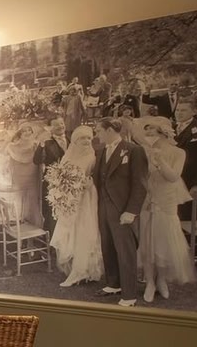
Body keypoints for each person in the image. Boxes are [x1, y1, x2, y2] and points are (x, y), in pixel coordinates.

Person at [132, 117, 197, 303]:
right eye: (146, 131)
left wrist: (159, 160)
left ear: (163, 133)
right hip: (148, 199)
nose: (148, 134)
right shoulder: (142, 151)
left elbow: (173, 177)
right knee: (147, 241)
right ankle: (149, 282)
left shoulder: (178, 153)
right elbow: (139, 176)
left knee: (163, 241)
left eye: (152, 130)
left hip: (166, 200)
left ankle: (161, 280)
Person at [92, 118, 148, 306]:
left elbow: (140, 184)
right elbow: (99, 179)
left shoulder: (134, 150)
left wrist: (131, 211)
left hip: (123, 209)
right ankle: (113, 283)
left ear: (109, 130)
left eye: (99, 130)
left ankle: (129, 294)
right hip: (104, 207)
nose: (96, 135)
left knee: (126, 251)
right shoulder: (101, 151)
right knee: (107, 246)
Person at [49, 126, 104, 287]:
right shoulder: (67, 157)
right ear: (75, 141)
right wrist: (60, 190)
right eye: (82, 139)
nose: (86, 141)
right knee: (70, 232)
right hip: (70, 200)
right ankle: (76, 267)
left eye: (88, 138)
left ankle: (81, 270)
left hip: (86, 199)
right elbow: (59, 177)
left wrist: (90, 184)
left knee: (84, 231)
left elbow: (97, 178)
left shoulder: (93, 157)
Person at [33, 116, 69, 236]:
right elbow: (37, 160)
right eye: (56, 124)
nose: (60, 126)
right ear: (50, 128)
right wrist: (41, 145)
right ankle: (51, 241)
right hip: (53, 183)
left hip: (70, 183)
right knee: (52, 213)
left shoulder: (72, 139)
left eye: (61, 123)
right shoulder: (46, 143)